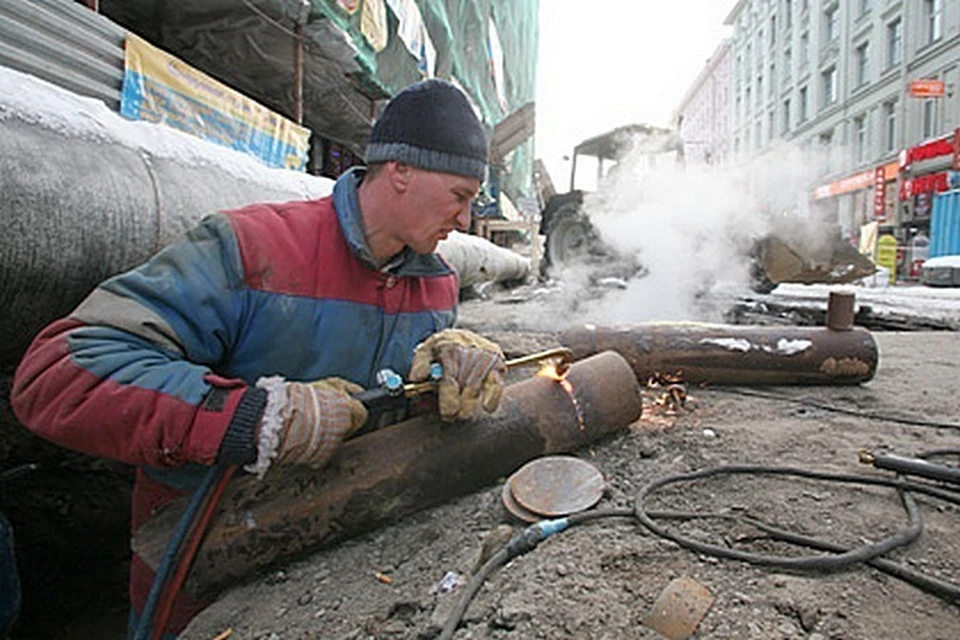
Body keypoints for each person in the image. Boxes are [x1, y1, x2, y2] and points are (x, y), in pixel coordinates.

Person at [9, 78, 507, 638]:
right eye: (460, 196)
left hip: (332, 559)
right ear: (401, 172)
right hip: (201, 553)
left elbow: (396, 413)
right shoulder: (251, 248)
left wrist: (446, 372)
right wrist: (258, 418)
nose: (465, 220)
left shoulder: (435, 284)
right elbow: (58, 373)